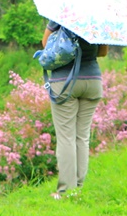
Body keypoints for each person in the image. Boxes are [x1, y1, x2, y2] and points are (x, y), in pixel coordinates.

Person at [42, 21, 108, 198]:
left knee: (66, 137)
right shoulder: (98, 17)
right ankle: (79, 188)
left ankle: (65, 191)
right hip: (93, 81)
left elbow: (45, 42)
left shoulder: (64, 11)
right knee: (82, 137)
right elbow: (103, 51)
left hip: (65, 81)